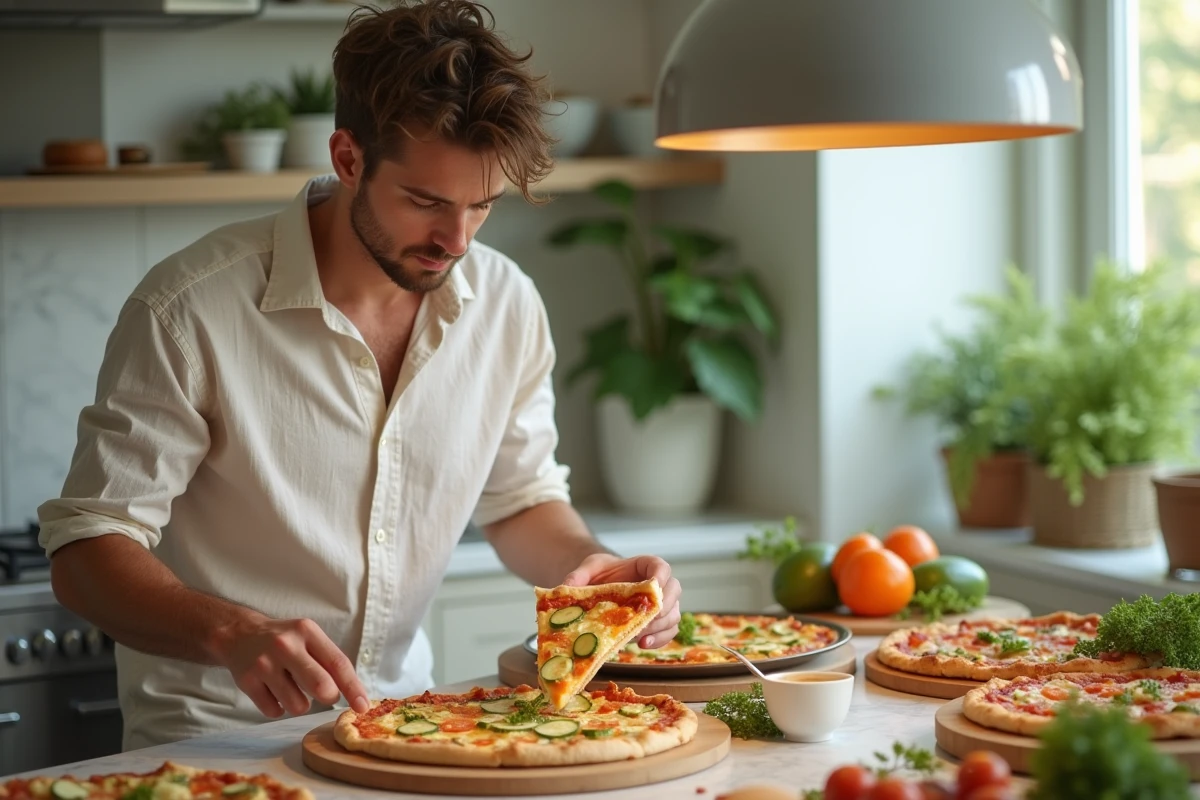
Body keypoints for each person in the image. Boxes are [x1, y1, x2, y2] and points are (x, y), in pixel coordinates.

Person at [37, 0, 681, 750]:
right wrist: (230, 632)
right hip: (213, 743)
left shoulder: (506, 305)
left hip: (413, 726)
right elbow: (87, 549)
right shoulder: (189, 309)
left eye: (483, 206)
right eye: (425, 202)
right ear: (347, 159)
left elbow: (522, 500)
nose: (457, 241)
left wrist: (587, 567)